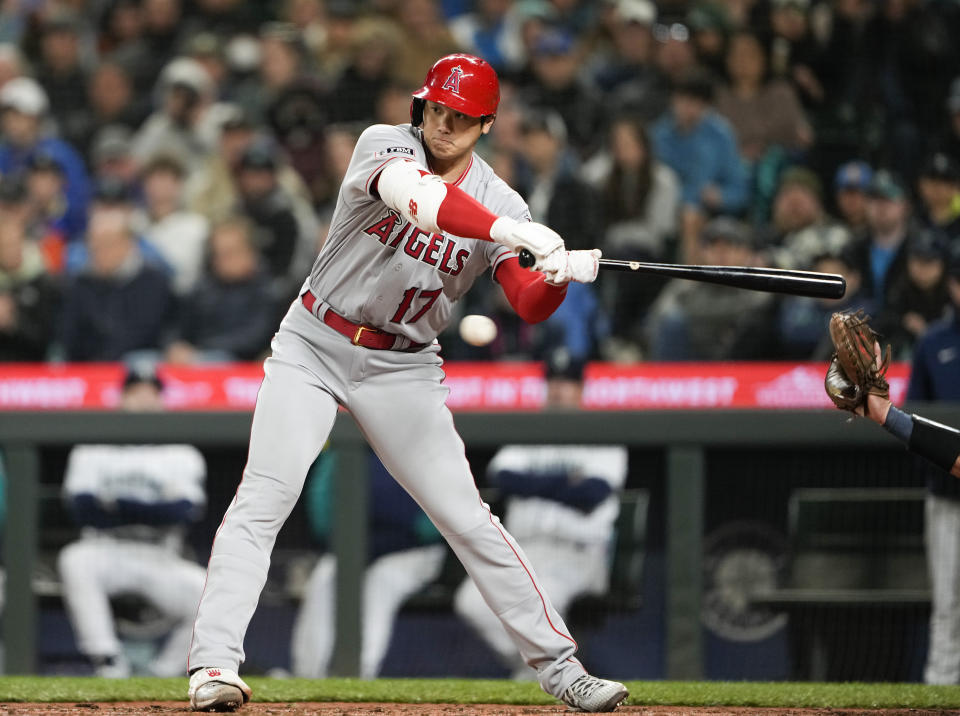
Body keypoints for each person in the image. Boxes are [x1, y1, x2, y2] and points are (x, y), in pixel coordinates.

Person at [186, 53, 627, 714]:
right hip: (315, 339)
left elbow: (526, 302)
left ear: (484, 126)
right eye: (436, 108)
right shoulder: (384, 144)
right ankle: (214, 666)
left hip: (405, 364)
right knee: (265, 496)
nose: (443, 124)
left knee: (467, 518)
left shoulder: (502, 201)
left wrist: (557, 274)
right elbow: (421, 200)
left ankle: (561, 669)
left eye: (461, 116)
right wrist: (514, 232)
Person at [453, 363, 628, 679]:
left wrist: (534, 483)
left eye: (568, 382)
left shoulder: (603, 431)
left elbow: (592, 493)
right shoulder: (530, 430)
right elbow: (504, 478)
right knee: (470, 601)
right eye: (554, 382)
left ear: (581, 390)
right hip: (524, 550)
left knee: (541, 605)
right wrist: (565, 484)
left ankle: (538, 673)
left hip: (577, 554)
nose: (559, 389)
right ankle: (545, 669)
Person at [58, 365, 207, 678]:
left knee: (209, 589)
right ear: (121, 399)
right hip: (105, 550)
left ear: (162, 401)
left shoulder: (181, 452)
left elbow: (181, 511)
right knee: (74, 560)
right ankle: (107, 660)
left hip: (160, 556)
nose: (143, 401)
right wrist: (151, 508)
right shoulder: (93, 447)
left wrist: (114, 505)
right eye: (134, 393)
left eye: (151, 394)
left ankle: (165, 672)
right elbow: (83, 510)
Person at [290, 450, 445, 679]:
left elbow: (432, 524)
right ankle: (308, 676)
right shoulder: (342, 448)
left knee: (380, 584)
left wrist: (386, 524)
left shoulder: (420, 443)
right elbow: (323, 517)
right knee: (324, 578)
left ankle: (359, 676)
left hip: (410, 551)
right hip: (354, 547)